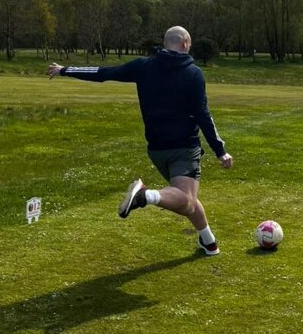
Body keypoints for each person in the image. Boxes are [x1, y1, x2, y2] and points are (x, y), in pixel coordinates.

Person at [47, 26, 233, 256]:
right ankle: (145, 195)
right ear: (185, 44)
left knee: (187, 197)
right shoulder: (193, 73)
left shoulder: (143, 66)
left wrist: (65, 70)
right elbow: (203, 115)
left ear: (165, 43)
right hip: (184, 148)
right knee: (185, 199)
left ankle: (209, 242)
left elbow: (104, 72)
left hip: (156, 150)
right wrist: (220, 150)